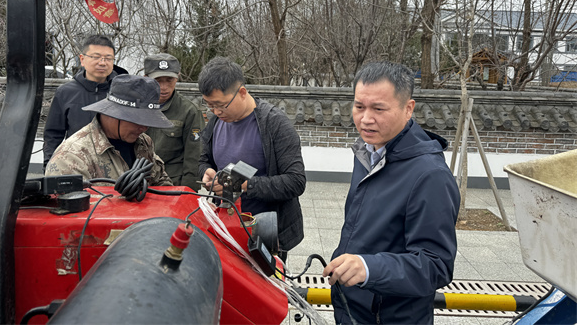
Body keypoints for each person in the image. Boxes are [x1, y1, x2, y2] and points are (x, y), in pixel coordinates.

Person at [322, 61, 460, 325]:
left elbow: (436, 265)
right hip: (353, 306)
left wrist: (369, 268)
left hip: (391, 316)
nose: (365, 119)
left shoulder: (430, 175)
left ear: (409, 109)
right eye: (359, 106)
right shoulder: (368, 151)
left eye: (378, 109)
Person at [198, 57, 306, 259]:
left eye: (221, 105)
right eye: (210, 105)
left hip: (266, 230)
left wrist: (244, 185)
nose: (216, 111)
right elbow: (204, 160)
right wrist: (206, 173)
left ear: (242, 92)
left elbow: (296, 182)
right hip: (226, 225)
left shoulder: (275, 125)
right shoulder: (216, 122)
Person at [45, 74, 173, 186]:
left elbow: (162, 183)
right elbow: (67, 210)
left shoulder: (143, 143)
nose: (144, 128)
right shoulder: (72, 156)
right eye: (137, 120)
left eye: (148, 121)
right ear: (113, 113)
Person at [43, 34, 120, 168]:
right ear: (82, 59)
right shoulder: (66, 92)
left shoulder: (122, 91)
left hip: (116, 165)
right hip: (76, 163)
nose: (102, 62)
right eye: (96, 57)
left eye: (108, 58)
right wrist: (49, 166)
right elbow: (53, 135)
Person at [143, 53, 205, 190]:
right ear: (146, 78)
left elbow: (194, 157)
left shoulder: (189, 111)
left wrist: (188, 193)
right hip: (136, 182)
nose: (164, 87)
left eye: (169, 80)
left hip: (171, 185)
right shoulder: (136, 106)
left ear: (177, 77)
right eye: (158, 80)